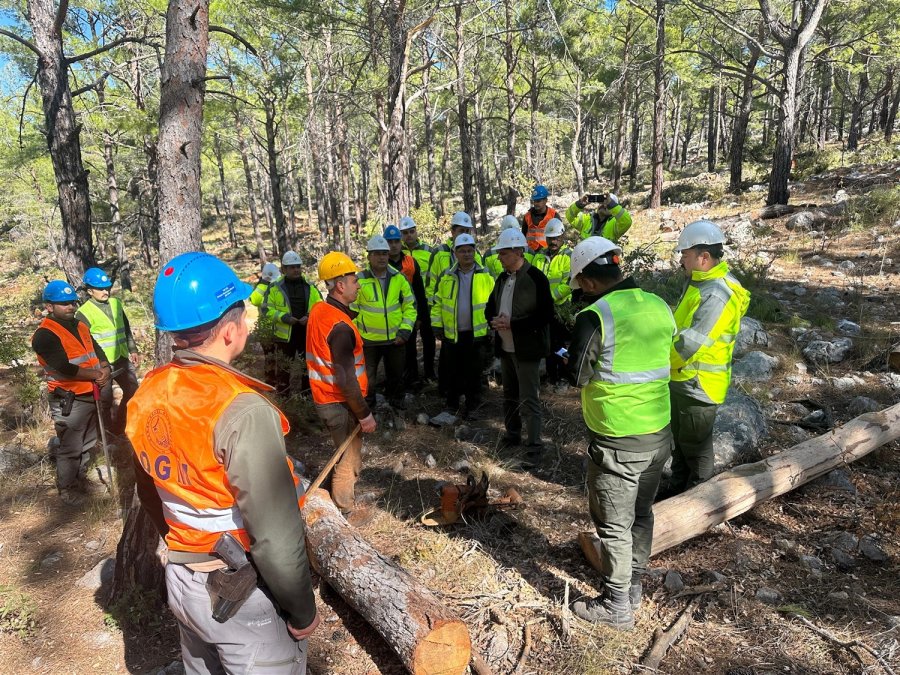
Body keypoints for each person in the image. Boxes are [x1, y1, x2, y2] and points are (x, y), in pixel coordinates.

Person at [125, 252, 319, 673]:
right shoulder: (241, 410)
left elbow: (149, 490)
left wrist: (185, 545)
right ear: (231, 331)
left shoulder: (149, 394)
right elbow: (275, 534)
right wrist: (302, 611)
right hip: (239, 591)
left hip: (183, 578)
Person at [565, 237, 676, 630]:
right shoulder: (659, 304)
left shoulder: (596, 317)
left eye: (580, 287)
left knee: (613, 524)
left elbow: (578, 375)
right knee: (641, 513)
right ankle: (633, 587)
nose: (580, 295)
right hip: (659, 432)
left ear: (590, 283)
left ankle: (616, 607)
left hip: (617, 439)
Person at [668, 220, 750, 493]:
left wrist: (655, 362)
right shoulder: (700, 284)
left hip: (699, 384)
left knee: (696, 447)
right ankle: (677, 489)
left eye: (685, 254)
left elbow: (690, 345)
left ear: (703, 257)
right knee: (680, 442)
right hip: (684, 378)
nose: (681, 260)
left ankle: (700, 500)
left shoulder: (716, 293)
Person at [307, 252, 377, 515]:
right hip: (339, 402)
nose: (358, 285)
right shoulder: (339, 326)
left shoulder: (320, 311)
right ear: (340, 285)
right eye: (354, 280)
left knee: (342, 453)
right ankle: (345, 511)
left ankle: (334, 499)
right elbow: (346, 380)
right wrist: (364, 414)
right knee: (350, 459)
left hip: (326, 399)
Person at [32, 280, 111, 506]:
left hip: (89, 392)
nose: (70, 307)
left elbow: (97, 349)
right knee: (70, 446)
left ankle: (80, 478)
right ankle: (67, 489)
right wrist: (97, 375)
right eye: (64, 304)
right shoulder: (44, 335)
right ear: (49, 307)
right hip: (68, 398)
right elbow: (63, 367)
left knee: (88, 440)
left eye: (72, 303)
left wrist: (104, 368)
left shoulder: (80, 325)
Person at [485, 229, 553, 464]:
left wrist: (513, 324)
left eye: (503, 254)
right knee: (509, 396)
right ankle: (512, 435)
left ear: (517, 252)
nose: (500, 258)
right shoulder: (502, 279)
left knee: (529, 399)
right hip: (506, 348)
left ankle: (534, 444)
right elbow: (489, 308)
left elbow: (545, 315)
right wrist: (493, 320)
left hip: (527, 350)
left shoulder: (536, 278)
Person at [431, 233, 494, 419]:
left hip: (477, 334)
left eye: (470, 250)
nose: (467, 254)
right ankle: (452, 405)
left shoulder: (485, 275)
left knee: (474, 372)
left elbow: (494, 304)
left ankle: (472, 406)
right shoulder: (447, 276)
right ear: (455, 253)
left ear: (475, 251)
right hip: (452, 334)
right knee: (453, 371)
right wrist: (437, 326)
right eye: (463, 251)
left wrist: (492, 328)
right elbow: (438, 303)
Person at [352, 235, 417, 411]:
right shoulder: (360, 279)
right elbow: (351, 310)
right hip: (368, 341)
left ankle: (397, 405)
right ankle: (369, 408)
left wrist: (404, 332)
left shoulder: (399, 278)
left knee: (396, 375)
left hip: (395, 339)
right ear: (369, 256)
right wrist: (358, 335)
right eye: (377, 254)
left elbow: (410, 306)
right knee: (367, 378)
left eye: (384, 254)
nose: (381, 257)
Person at [75, 267, 140, 436]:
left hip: (122, 358)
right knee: (105, 400)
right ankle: (107, 433)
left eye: (107, 287)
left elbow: (125, 328)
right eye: (100, 288)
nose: (105, 291)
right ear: (90, 291)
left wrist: (133, 349)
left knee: (133, 390)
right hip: (101, 365)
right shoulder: (83, 313)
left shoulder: (116, 303)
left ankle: (122, 425)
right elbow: (85, 343)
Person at [425, 211, 483, 396]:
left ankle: (471, 394)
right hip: (448, 320)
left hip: (472, 325)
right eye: (460, 230)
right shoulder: (439, 253)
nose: (464, 233)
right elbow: (431, 285)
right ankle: (447, 393)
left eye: (467, 230)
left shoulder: (476, 253)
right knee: (448, 361)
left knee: (470, 362)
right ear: (452, 231)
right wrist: (436, 319)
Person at [258, 251, 322, 395]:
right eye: (292, 267)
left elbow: (320, 306)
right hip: (284, 337)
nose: (296, 270)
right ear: (284, 269)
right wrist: (284, 317)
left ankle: (306, 398)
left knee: (308, 368)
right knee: (283, 370)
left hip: (306, 334)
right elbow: (266, 309)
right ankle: (284, 398)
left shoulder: (310, 286)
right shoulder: (274, 287)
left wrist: (309, 316)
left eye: (298, 266)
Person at [529, 219, 574, 384]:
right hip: (543, 308)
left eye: (556, 237)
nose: (553, 241)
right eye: (550, 238)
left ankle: (563, 376)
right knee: (547, 343)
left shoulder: (568, 256)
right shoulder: (539, 256)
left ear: (562, 236)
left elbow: (568, 284)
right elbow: (531, 279)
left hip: (561, 308)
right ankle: (551, 375)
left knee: (560, 344)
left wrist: (548, 298)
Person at [385, 224, 428, 387]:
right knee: (391, 351)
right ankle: (395, 381)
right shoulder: (382, 263)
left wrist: (420, 317)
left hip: (408, 312)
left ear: (400, 241)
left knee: (409, 347)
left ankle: (413, 378)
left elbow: (419, 292)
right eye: (390, 242)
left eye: (396, 241)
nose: (394, 245)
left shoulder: (410, 262)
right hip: (389, 315)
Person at [399, 215, 436, 383]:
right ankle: (411, 374)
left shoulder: (429, 251)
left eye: (411, 231)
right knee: (409, 341)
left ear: (416, 231)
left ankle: (429, 372)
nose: (409, 235)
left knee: (429, 341)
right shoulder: (400, 254)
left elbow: (435, 277)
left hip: (426, 303)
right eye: (405, 233)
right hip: (407, 306)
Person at [249, 262, 284, 385]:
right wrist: (263, 284)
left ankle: (279, 380)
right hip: (266, 330)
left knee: (279, 356)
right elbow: (254, 299)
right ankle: (270, 381)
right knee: (269, 357)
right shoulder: (262, 288)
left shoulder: (278, 287)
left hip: (279, 328)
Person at [565, 193, 632, 241]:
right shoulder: (586, 219)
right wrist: (579, 204)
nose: (604, 205)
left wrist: (610, 204)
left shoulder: (615, 224)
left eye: (607, 204)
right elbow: (570, 216)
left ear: (613, 208)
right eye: (602, 203)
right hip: (584, 259)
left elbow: (627, 222)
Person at [521, 184, 559, 253]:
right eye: (534, 201)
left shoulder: (553, 215)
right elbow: (523, 234)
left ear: (545, 200)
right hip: (530, 252)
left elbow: (560, 235)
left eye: (538, 201)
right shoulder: (527, 216)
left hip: (547, 251)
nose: (535, 203)